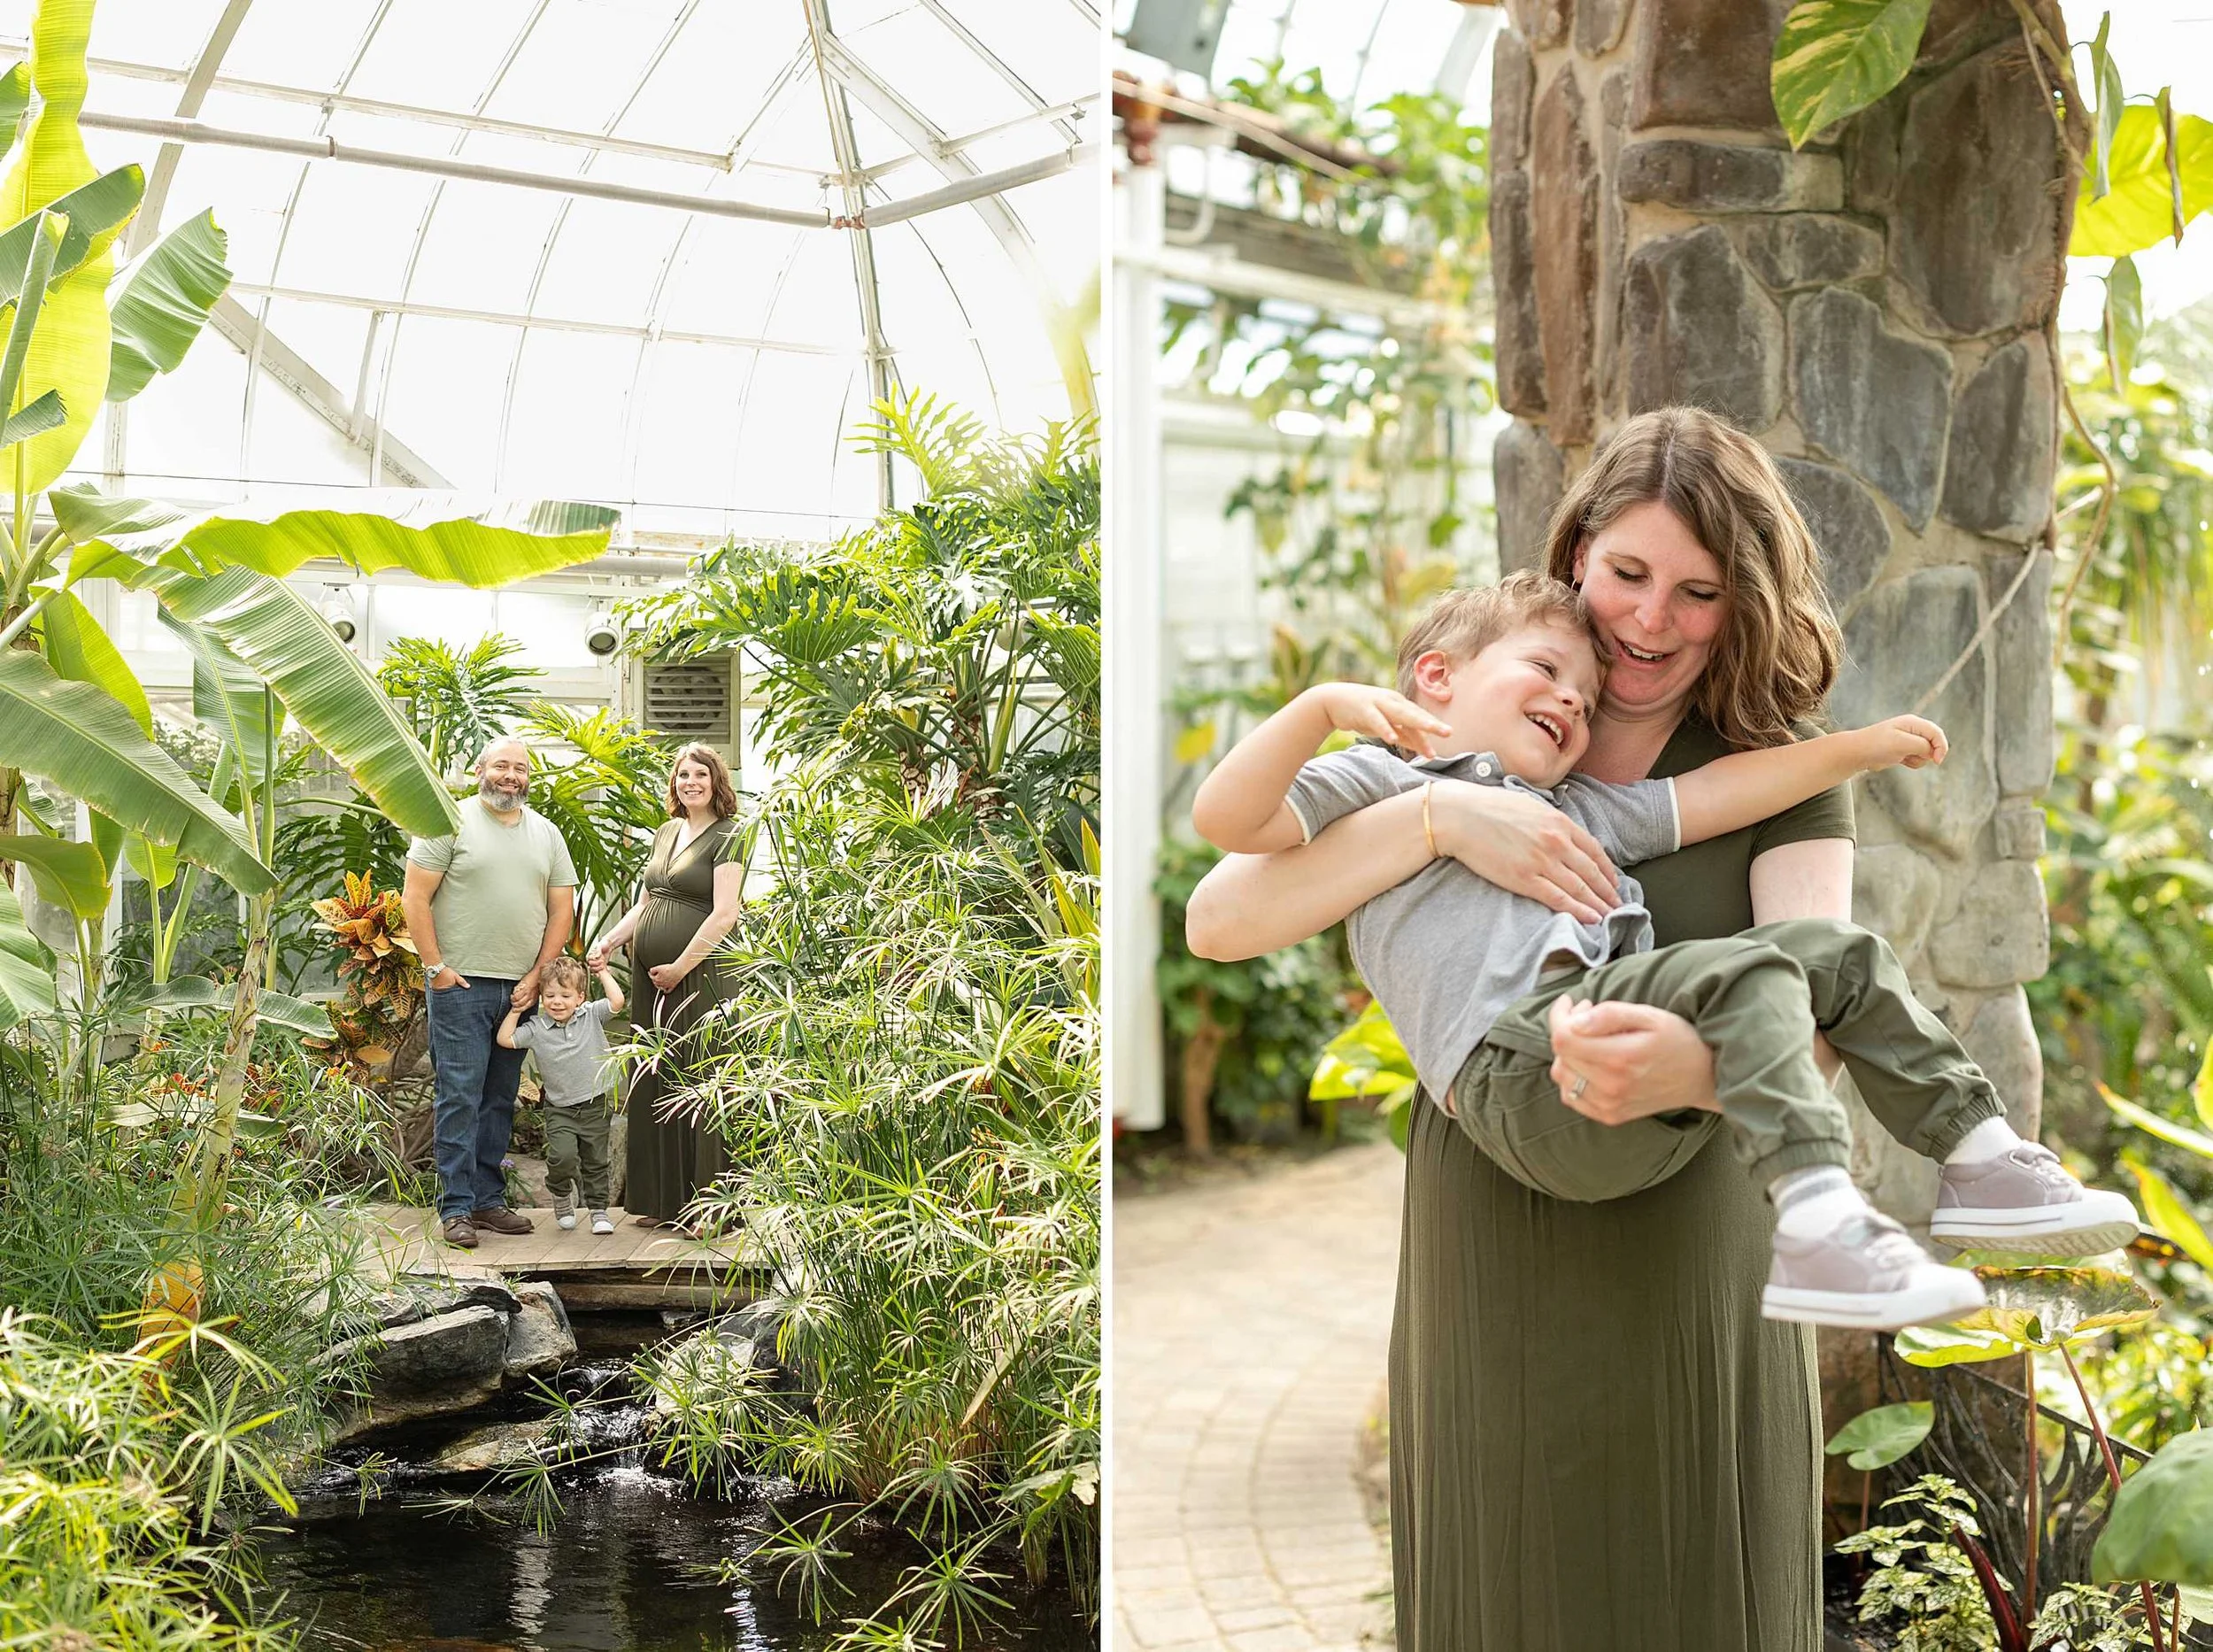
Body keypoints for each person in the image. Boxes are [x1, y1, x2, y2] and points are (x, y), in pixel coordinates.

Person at [1179, 406, 2033, 1651]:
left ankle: (1983, 1160)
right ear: (1578, 551)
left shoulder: (1771, 774)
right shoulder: (1471, 731)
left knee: (1699, 1587)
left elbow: (1814, 1015)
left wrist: (1686, 1068)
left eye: (1698, 593)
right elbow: (1222, 912)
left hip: (1695, 1225)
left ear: (1741, 606)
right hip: (1494, 1214)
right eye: (1628, 572)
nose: (1649, 620)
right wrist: (1441, 823)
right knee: (1507, 1588)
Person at [1191, 572, 2135, 1328]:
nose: (1572, 702)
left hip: (1619, 1068)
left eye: (1586, 696)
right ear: (1436, 677)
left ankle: (1979, 1157)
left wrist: (1854, 750)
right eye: (1545, 669)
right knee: (1753, 968)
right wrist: (1319, 708)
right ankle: (1819, 1217)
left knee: (1832, 954)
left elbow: (1717, 794)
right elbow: (1230, 821)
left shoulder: (1576, 807)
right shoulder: (1381, 777)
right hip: (1516, 1066)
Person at [402, 737, 577, 1251]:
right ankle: (456, 1208)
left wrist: (538, 976)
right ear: (480, 769)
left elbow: (561, 910)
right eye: (502, 765)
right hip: (461, 985)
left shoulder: (546, 833)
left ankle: (487, 1200)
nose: (511, 776)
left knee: (500, 1097)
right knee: (460, 1095)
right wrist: (436, 968)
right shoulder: (447, 821)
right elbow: (415, 896)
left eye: (520, 768)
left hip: (522, 990)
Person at [590, 742, 744, 1232]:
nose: (690, 782)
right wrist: (611, 940)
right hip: (652, 980)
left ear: (716, 782)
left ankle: (712, 1210)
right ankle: (666, 1202)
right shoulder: (666, 832)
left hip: (702, 973)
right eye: (683, 775)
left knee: (701, 1079)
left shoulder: (730, 835)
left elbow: (726, 913)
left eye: (700, 774)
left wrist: (680, 965)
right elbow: (647, 902)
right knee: (658, 1078)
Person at [498, 954, 625, 1237]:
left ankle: (598, 1211)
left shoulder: (590, 1016)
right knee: (562, 1157)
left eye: (565, 996)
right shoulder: (537, 1028)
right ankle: (561, 1194)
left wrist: (602, 972)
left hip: (595, 1105)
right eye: (550, 996)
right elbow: (505, 1039)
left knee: (596, 1161)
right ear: (541, 997)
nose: (557, 1002)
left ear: (580, 998)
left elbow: (617, 1002)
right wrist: (517, 1010)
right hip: (560, 1109)